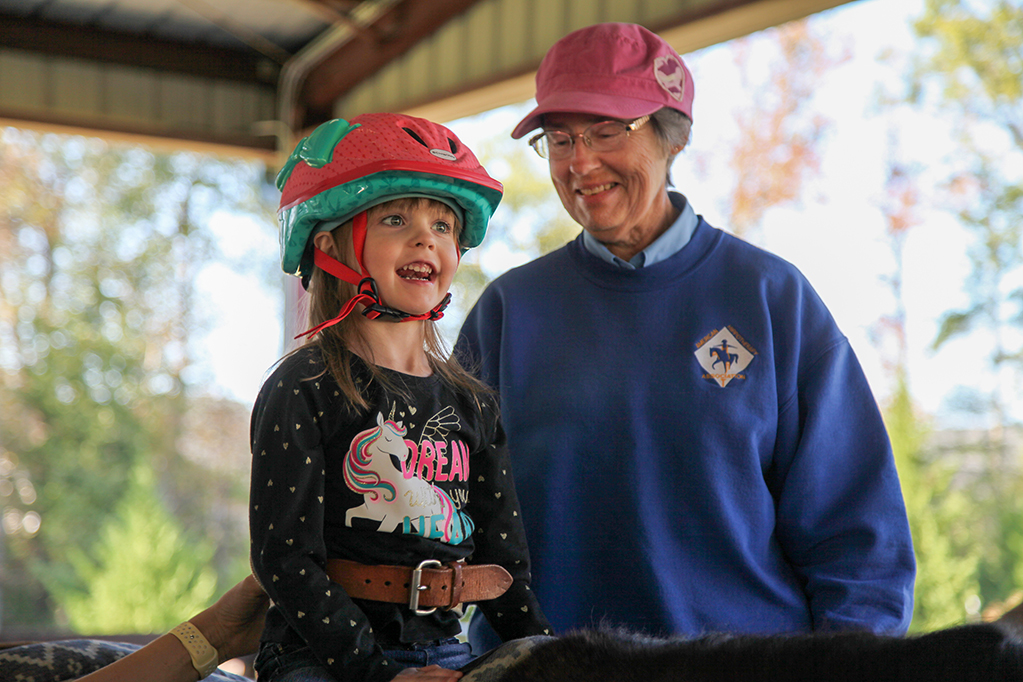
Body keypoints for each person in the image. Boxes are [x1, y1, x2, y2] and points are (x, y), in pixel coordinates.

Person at [457, 22, 916, 640]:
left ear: (671, 135)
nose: (581, 163)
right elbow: (439, 520)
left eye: (606, 131)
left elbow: (861, 542)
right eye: (560, 139)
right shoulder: (508, 312)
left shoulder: (771, 299)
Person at [248, 113, 552, 682]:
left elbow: (507, 566)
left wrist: (553, 658)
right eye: (395, 218)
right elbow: (284, 561)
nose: (426, 238)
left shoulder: (474, 405)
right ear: (328, 242)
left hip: (446, 649)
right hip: (322, 657)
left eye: (443, 224)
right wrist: (377, 676)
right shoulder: (302, 388)